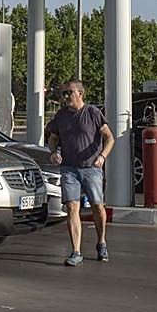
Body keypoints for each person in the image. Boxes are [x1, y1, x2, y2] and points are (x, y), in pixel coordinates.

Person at [45, 79, 115, 266]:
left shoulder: (92, 113)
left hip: (92, 168)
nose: (66, 97)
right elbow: (53, 138)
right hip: (69, 169)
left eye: (69, 92)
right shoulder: (61, 116)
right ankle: (76, 251)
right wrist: (53, 152)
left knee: (97, 206)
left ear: (80, 94)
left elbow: (109, 138)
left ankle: (101, 242)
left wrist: (102, 157)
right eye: (64, 93)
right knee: (72, 207)